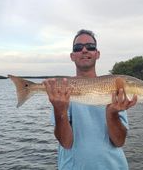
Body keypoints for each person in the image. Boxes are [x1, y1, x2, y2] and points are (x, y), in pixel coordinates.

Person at [44, 29, 137, 170]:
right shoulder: (63, 92)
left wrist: (112, 113)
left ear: (97, 54)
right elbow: (66, 143)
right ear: (72, 56)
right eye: (78, 48)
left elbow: (118, 141)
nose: (85, 50)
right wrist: (60, 111)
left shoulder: (116, 87)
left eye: (90, 46)